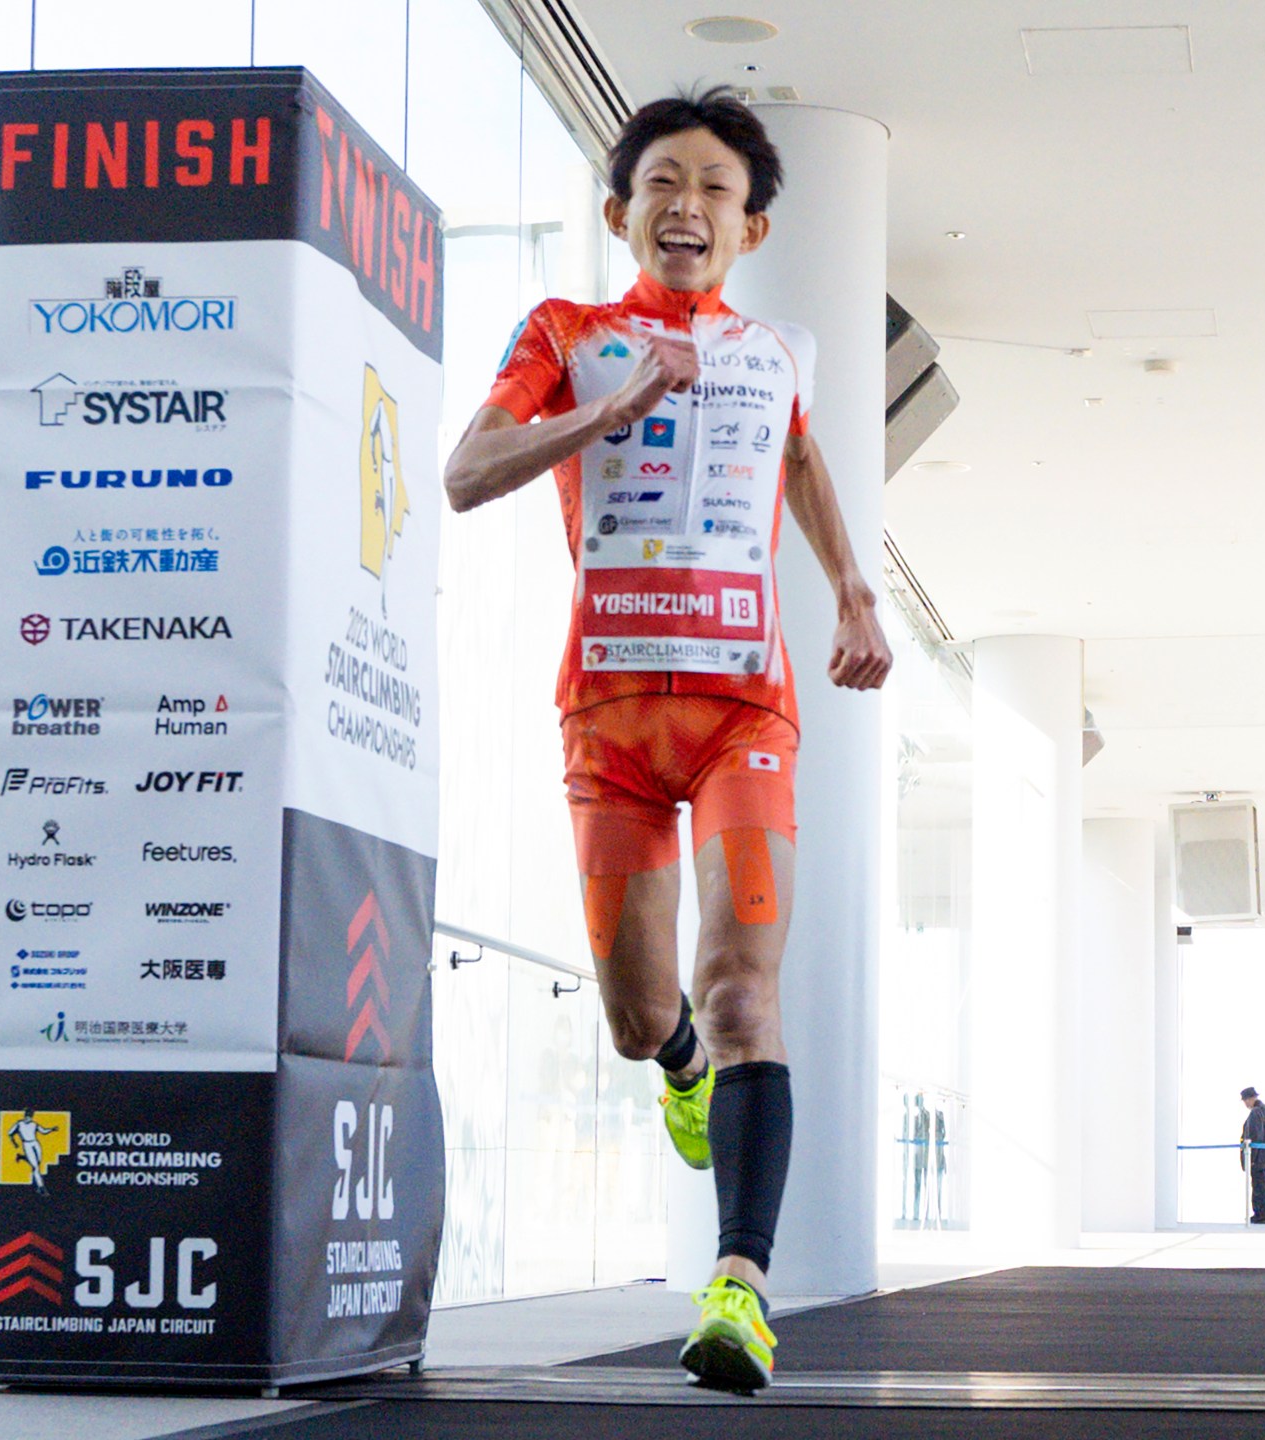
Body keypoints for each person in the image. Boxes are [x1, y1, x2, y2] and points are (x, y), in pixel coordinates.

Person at [441, 86, 893, 1392]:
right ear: (618, 212)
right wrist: (613, 409)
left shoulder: (779, 352)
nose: (686, 207)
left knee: (749, 988)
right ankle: (680, 1065)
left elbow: (799, 461)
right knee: (646, 1018)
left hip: (745, 711)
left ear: (751, 228)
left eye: (715, 190)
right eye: (663, 185)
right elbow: (469, 472)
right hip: (611, 722)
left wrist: (855, 591)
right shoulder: (567, 334)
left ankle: (741, 1287)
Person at [1239, 1086, 1265, 1224]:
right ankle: (1264, 1213)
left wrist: (1250, 1157)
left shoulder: (1256, 1113)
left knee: (1259, 1185)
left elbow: (1253, 1135)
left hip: (1258, 1156)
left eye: (1245, 1100)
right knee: (1262, 1184)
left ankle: (1263, 1215)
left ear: (1250, 1099)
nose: (1245, 1104)